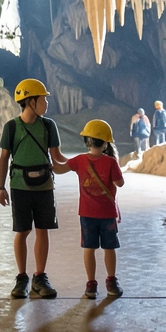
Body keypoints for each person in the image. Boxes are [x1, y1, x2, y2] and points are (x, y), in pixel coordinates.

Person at [0, 78, 68, 299]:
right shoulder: (11, 127)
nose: (46, 104)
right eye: (43, 99)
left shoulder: (49, 126)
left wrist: (79, 165)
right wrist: (0, 187)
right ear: (29, 101)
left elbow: (57, 157)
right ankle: (21, 278)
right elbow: (3, 158)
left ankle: (40, 277)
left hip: (45, 185)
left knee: (42, 229)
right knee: (22, 231)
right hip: (19, 185)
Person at [53, 119, 125, 299]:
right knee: (109, 248)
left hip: (86, 214)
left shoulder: (79, 160)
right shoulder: (110, 162)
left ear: (87, 141)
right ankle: (112, 282)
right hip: (107, 214)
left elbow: (59, 168)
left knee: (89, 248)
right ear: (106, 142)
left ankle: (91, 286)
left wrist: (47, 155)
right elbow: (120, 183)